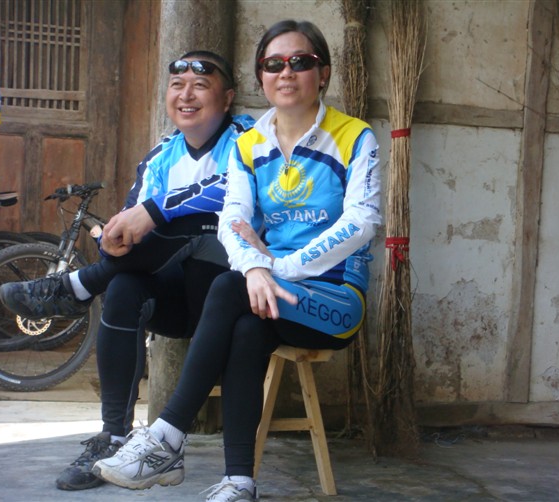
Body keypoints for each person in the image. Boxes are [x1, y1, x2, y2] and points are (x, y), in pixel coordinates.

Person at [91, 20, 381, 502]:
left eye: (300, 62)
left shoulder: (355, 136)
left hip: (334, 299)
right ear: (261, 76)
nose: (285, 72)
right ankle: (240, 482)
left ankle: (167, 436)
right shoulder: (250, 145)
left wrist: (276, 268)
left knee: (228, 287)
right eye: (273, 64)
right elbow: (232, 222)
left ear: (323, 73)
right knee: (246, 330)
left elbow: (363, 221)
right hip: (267, 288)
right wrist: (255, 266)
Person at [0, 50, 254, 491]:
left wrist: (156, 211)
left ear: (227, 97)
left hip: (229, 295)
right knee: (123, 285)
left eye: (200, 86)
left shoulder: (250, 140)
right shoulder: (161, 156)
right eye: (177, 86)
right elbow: (134, 227)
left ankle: (77, 287)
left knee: (199, 217)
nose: (186, 95)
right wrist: (113, 238)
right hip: (175, 299)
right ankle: (113, 439)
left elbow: (234, 190)